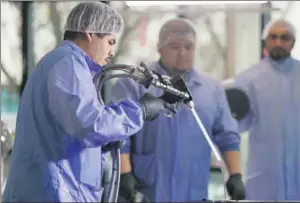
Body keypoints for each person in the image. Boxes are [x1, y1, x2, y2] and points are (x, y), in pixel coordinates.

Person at [2, 2, 174, 202]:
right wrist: (140, 111)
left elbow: (74, 129)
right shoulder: (68, 65)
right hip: (54, 194)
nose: (112, 52)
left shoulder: (64, 65)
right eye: (110, 42)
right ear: (90, 32)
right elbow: (90, 125)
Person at [111, 18, 246, 202]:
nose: (183, 53)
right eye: (174, 47)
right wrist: (124, 174)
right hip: (145, 191)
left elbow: (228, 137)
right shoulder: (134, 84)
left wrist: (235, 175)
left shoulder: (211, 90)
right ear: (160, 48)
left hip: (194, 190)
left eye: (189, 47)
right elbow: (120, 134)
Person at [228, 19, 300, 200]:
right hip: (266, 169)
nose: (278, 42)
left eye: (285, 38)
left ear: (293, 42)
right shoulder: (247, 79)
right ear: (265, 41)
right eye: (273, 37)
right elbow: (238, 123)